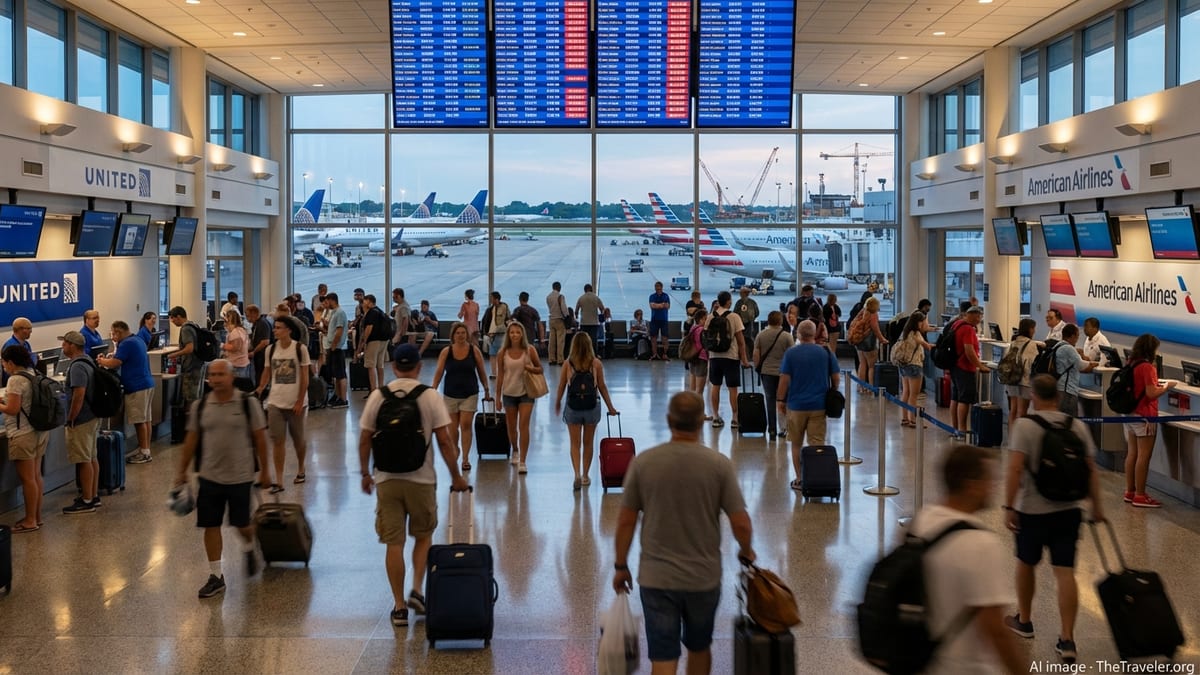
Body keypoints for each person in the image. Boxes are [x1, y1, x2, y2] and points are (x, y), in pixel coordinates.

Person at [612, 391, 754, 675]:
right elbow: (740, 523)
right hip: (703, 578)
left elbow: (626, 521)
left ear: (668, 421)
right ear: (702, 421)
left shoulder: (644, 463)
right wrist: (746, 550)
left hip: (656, 578)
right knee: (699, 648)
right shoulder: (719, 465)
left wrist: (620, 566)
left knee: (663, 656)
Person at [358, 343, 469, 627]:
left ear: (394, 366)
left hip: (387, 480)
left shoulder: (378, 396)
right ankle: (417, 590)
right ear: (419, 367)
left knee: (393, 543)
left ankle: (398, 608)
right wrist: (456, 476)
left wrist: (365, 474)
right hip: (421, 479)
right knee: (422, 536)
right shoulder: (429, 396)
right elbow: (444, 441)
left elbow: (364, 439)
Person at [1003, 374, 1105, 665]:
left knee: (1026, 563)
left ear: (1033, 396)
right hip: (1069, 510)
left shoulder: (1024, 426)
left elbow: (1014, 470)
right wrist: (1096, 507)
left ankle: (1024, 620)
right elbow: (1091, 470)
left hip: (1032, 510)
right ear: (1058, 397)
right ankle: (1067, 639)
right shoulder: (1078, 427)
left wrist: (1009, 506)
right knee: (1065, 572)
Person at [910, 444, 1024, 674]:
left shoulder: (920, 521)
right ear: (972, 485)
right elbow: (996, 630)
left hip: (924, 659)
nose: (994, 487)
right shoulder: (980, 543)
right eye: (989, 480)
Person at [174, 359, 269, 600]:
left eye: (220, 375)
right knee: (211, 524)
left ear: (231, 377)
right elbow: (191, 440)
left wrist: (266, 470)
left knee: (242, 525)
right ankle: (216, 575)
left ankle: (249, 547)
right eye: (212, 375)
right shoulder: (201, 405)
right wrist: (181, 471)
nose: (215, 379)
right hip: (209, 476)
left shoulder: (248, 404)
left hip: (240, 476)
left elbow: (260, 439)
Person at [778, 320, 840, 490]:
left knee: (796, 443)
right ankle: (816, 478)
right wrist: (832, 391)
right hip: (819, 405)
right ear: (814, 334)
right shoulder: (826, 353)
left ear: (798, 334)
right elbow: (836, 378)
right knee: (817, 443)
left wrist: (780, 400)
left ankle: (799, 479)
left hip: (796, 406)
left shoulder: (791, 354)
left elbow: (784, 379)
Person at [554, 332, 617, 490]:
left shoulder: (568, 364)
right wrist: (610, 407)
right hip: (591, 407)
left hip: (573, 407)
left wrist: (557, 402)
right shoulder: (595, 363)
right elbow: (601, 386)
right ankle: (585, 476)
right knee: (588, 443)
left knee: (574, 444)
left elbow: (562, 385)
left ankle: (576, 473)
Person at [257, 317, 311, 492]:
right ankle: (279, 481)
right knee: (277, 441)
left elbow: (305, 377)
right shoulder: (270, 350)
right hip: (275, 401)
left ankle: (301, 468)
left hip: (296, 403)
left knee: (298, 440)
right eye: (275, 328)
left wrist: (300, 400)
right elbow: (267, 372)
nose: (275, 331)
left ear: (288, 330)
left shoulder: (300, 349)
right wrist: (260, 388)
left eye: (279, 328)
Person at [1124, 333, 1175, 508]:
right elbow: (1151, 393)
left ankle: (1130, 491)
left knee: (1132, 453)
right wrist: (1167, 387)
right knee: (1143, 456)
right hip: (1145, 414)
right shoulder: (1147, 367)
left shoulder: (1130, 363)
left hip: (1130, 413)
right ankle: (1140, 495)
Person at [431, 322, 490, 474]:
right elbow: (439, 371)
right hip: (450, 394)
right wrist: (433, 388)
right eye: (458, 333)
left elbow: (482, 371)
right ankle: (455, 448)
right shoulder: (447, 351)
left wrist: (487, 389)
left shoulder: (473, 350)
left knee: (465, 424)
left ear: (467, 335)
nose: (461, 336)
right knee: (452, 429)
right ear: (453, 335)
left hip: (470, 393)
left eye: (463, 333)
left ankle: (465, 458)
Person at [1, 345, 47, 532]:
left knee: (27, 479)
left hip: (23, 434)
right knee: (36, 476)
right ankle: (36, 516)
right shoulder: (32, 373)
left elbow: (12, 409)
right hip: (39, 431)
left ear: (11, 362)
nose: (3, 366)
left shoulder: (15, 380)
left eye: (3, 362)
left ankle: (30, 521)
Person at [98, 321, 156, 465]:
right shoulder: (137, 339)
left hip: (136, 386)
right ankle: (146, 448)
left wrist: (101, 361)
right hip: (147, 383)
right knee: (146, 419)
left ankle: (144, 452)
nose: (112, 336)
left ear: (118, 332)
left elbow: (115, 363)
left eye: (113, 333)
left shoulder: (126, 344)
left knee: (139, 421)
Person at [59, 331, 100, 514]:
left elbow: (78, 394)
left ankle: (87, 500)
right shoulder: (88, 361)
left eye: (65, 343)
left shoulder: (76, 367)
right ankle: (93, 494)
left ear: (72, 346)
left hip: (82, 418)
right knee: (91, 457)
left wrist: (71, 418)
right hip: (92, 416)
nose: (63, 347)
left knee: (83, 460)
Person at [495, 322, 543, 474]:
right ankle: (514, 449)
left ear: (522, 334)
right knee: (511, 427)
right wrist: (497, 396)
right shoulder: (502, 353)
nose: (514, 335)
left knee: (524, 426)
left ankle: (523, 460)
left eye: (517, 332)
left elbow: (540, 368)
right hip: (509, 393)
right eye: (512, 332)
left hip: (526, 393)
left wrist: (530, 368)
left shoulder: (530, 350)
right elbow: (500, 375)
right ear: (508, 335)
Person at [705, 291, 750, 429]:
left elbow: (706, 337)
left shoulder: (710, 317)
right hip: (731, 356)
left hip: (714, 356)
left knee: (715, 386)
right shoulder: (734, 317)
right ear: (729, 302)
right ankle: (735, 418)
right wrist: (744, 359)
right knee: (732, 389)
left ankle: (716, 417)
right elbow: (741, 341)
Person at [753, 311, 794, 440]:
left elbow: (756, 354)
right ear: (781, 321)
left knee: (770, 400)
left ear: (768, 321)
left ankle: (771, 429)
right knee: (783, 400)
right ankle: (783, 428)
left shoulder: (761, 335)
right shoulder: (787, 336)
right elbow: (791, 356)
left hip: (767, 372)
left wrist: (758, 367)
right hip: (784, 373)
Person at [949, 306, 989, 439]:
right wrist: (980, 366)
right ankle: (962, 430)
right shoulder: (968, 329)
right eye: (978, 317)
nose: (979, 320)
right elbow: (969, 351)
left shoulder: (956, 324)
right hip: (965, 368)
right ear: (971, 315)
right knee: (964, 400)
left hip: (954, 366)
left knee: (955, 397)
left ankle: (955, 428)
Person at [893, 311, 933, 428]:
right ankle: (913, 420)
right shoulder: (916, 333)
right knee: (914, 395)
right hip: (915, 365)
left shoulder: (905, 333)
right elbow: (926, 346)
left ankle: (905, 418)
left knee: (905, 392)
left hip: (903, 364)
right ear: (919, 322)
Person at [1053, 324, 1097, 416]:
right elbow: (1081, 366)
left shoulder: (1058, 345)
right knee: (1070, 419)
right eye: (1077, 336)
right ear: (1072, 336)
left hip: (1059, 387)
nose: (1077, 340)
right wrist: (1094, 364)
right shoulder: (1069, 348)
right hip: (1067, 390)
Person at [1004, 319, 1039, 432]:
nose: (1034, 331)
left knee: (1013, 410)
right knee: (1022, 412)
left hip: (1011, 380)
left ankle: (1011, 438)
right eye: (1033, 328)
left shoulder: (1012, 343)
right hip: (1024, 381)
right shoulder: (1031, 344)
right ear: (1029, 329)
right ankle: (1019, 440)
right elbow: (1032, 362)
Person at [168, 306, 205, 409]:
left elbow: (189, 348)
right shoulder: (193, 325)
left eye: (173, 318)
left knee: (190, 398)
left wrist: (173, 355)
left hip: (191, 367)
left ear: (178, 317)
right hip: (198, 364)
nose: (172, 321)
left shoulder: (185, 329)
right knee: (197, 397)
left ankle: (191, 420)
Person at [853, 297, 889, 393]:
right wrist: (882, 339)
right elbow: (875, 328)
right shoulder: (873, 314)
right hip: (869, 342)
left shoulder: (862, 312)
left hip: (859, 341)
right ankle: (871, 387)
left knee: (862, 364)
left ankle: (861, 387)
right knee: (871, 366)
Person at [356, 294, 390, 393]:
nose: (363, 304)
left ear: (370, 302)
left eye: (365, 301)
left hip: (374, 341)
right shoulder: (380, 311)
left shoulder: (371, 313)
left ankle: (373, 389)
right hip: (384, 341)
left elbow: (369, 328)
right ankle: (381, 387)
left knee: (371, 365)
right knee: (380, 365)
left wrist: (363, 343)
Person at [322, 293, 350, 408]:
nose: (325, 304)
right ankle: (338, 396)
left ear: (332, 300)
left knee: (340, 374)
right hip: (332, 346)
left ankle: (343, 399)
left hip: (337, 348)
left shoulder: (339, 313)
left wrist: (334, 345)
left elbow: (339, 331)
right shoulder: (333, 313)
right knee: (336, 375)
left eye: (327, 301)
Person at [686, 307, 710, 414]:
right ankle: (700, 413)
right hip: (701, 359)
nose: (707, 321)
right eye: (706, 319)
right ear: (700, 320)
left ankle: (691, 410)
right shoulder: (702, 330)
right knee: (700, 390)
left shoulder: (693, 328)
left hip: (692, 358)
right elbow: (706, 345)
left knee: (692, 387)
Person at [2, 317, 36, 387]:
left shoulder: (26, 344)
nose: (31, 331)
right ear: (20, 329)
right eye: (29, 328)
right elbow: (9, 369)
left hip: (26, 381)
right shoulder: (10, 347)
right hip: (15, 383)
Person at [482, 291, 510, 376]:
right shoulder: (489, 310)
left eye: (492, 298)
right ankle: (494, 372)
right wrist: (485, 333)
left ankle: (502, 371)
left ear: (496, 299)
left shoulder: (504, 307)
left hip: (501, 334)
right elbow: (485, 321)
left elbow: (508, 318)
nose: (490, 300)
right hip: (492, 335)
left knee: (502, 353)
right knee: (492, 354)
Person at [220, 310, 252, 381]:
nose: (225, 324)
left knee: (237, 386)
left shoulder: (235, 333)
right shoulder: (241, 330)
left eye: (226, 321)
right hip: (240, 363)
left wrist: (222, 345)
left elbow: (234, 347)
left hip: (237, 365)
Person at [575, 284, 607, 354]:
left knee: (584, 340)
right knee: (593, 340)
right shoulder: (596, 298)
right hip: (594, 323)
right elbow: (602, 309)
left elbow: (576, 311)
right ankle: (594, 355)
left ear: (584, 290)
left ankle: (584, 354)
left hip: (584, 323)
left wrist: (577, 316)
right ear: (591, 289)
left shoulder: (581, 298)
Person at [246, 305, 273, 384]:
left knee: (260, 376)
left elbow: (265, 341)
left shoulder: (262, 324)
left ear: (254, 313)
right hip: (259, 355)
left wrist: (254, 352)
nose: (247, 318)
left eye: (248, 315)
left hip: (263, 355)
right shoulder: (256, 323)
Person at [545, 281, 569, 366]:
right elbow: (564, 309)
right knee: (560, 341)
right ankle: (560, 359)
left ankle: (551, 359)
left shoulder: (548, 297)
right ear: (559, 288)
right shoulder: (560, 296)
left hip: (551, 319)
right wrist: (567, 316)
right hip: (559, 320)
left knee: (552, 341)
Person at [648, 281, 672, 360]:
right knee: (653, 338)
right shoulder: (652, 296)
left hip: (664, 320)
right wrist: (662, 305)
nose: (657, 288)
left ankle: (665, 354)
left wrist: (657, 305)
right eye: (656, 287)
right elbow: (652, 306)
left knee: (664, 338)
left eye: (659, 287)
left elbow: (667, 306)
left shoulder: (666, 296)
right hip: (654, 320)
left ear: (661, 287)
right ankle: (654, 354)